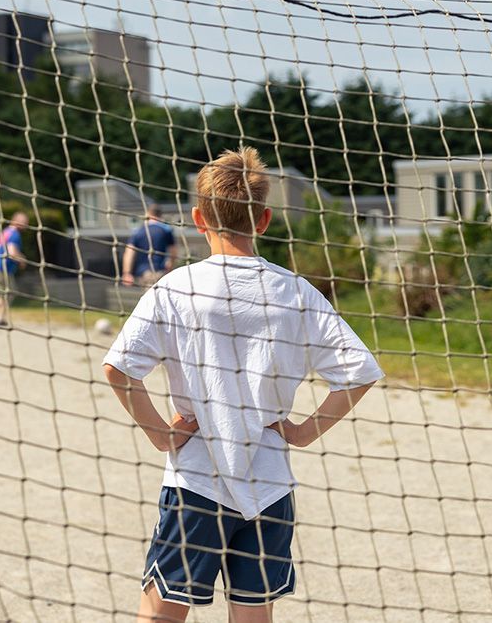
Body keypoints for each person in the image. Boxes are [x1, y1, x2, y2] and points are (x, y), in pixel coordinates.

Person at [101, 147, 383, 622]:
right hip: (269, 484)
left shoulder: (176, 288)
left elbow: (118, 369)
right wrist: (305, 431)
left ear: (197, 218)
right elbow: (361, 373)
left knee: (161, 613)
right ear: (266, 218)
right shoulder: (296, 290)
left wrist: (160, 434)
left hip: (195, 479)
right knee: (253, 616)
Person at [121, 203, 177, 287]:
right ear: (160, 215)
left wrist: (127, 273)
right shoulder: (166, 230)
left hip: (144, 273)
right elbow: (173, 251)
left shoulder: (139, 231)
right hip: (160, 271)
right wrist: (170, 266)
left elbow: (129, 252)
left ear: (148, 214)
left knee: (149, 297)